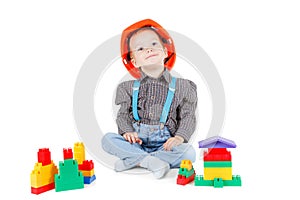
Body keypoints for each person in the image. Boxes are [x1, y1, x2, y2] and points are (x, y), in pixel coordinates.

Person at [101, 19, 197, 179]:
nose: (148, 50)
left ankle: (135, 161)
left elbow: (188, 116)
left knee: (189, 153)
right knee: (107, 139)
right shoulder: (127, 87)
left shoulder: (184, 86)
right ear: (134, 61)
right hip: (136, 142)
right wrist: (127, 132)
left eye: (153, 44)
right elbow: (123, 115)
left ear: (166, 52)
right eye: (140, 48)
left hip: (165, 145)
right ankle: (149, 161)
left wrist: (179, 137)